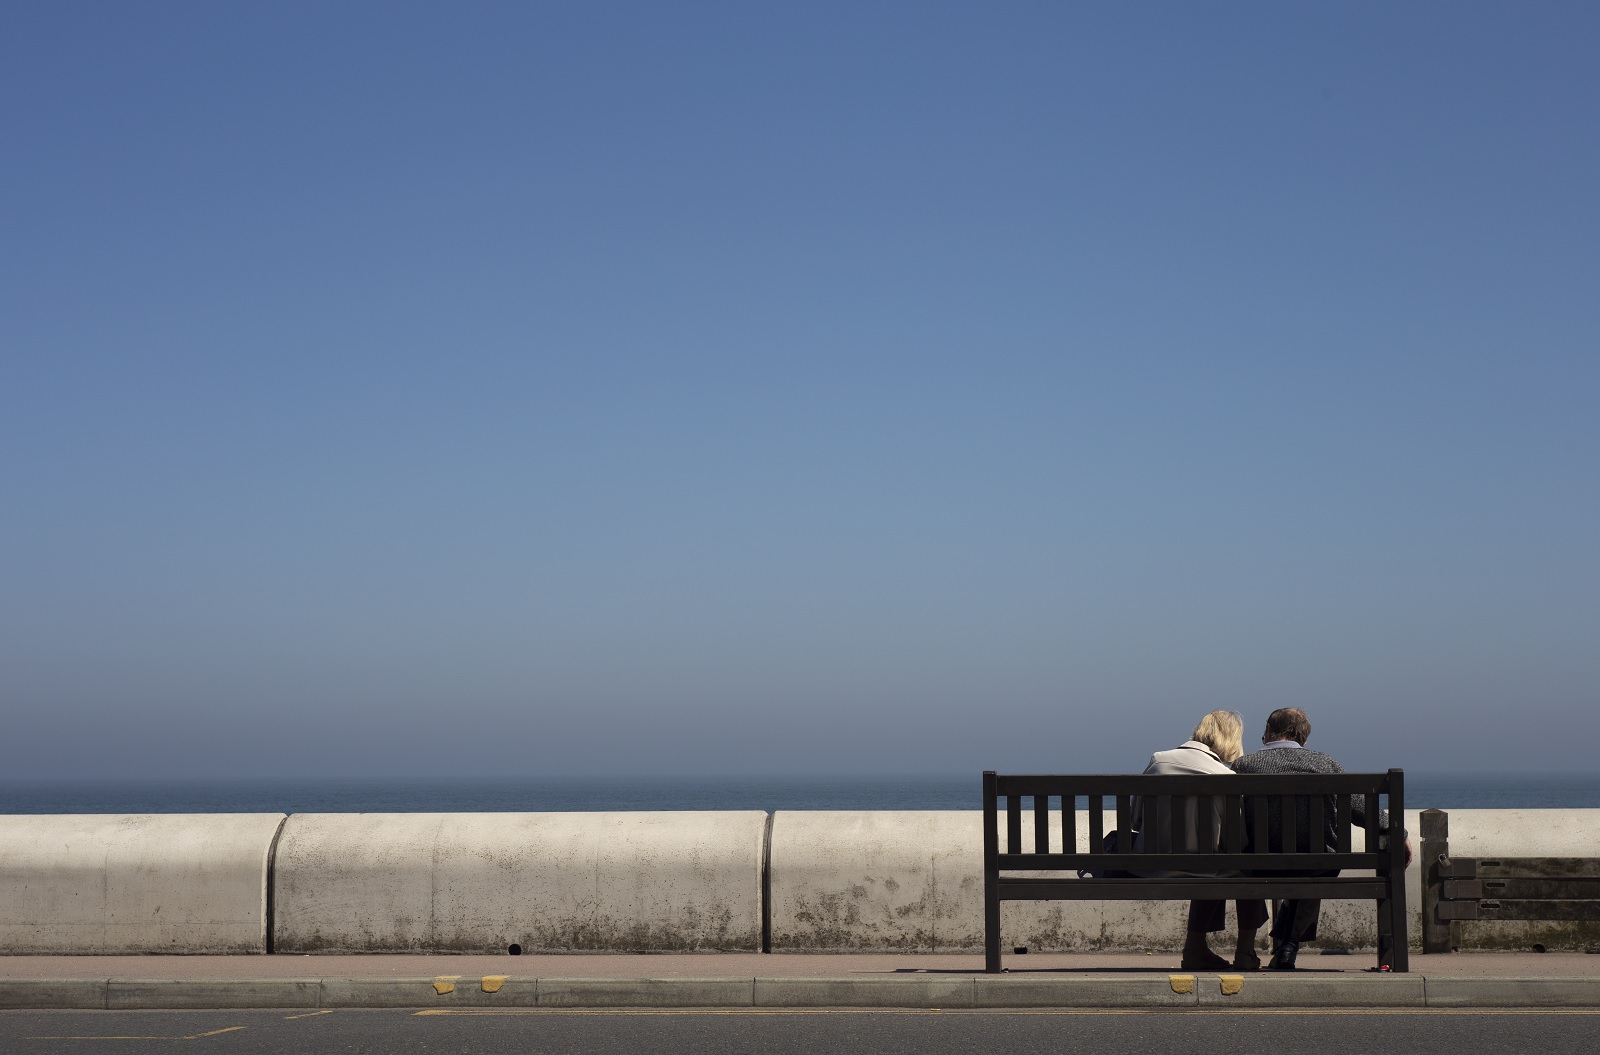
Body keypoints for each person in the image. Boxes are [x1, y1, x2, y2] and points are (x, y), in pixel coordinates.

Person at [1232, 707, 1412, 970]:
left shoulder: (1245, 766)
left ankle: (1286, 947)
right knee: (1314, 860)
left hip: (1259, 864)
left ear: (1270, 730)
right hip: (1318, 863)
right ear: (1302, 736)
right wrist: (1398, 832)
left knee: (1301, 861)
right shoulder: (1324, 764)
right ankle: (1288, 947)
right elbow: (1359, 807)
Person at [1140, 710, 1270, 972]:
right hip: (1204, 867)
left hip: (1152, 865)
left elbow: (1136, 819)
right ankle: (1244, 951)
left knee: (1211, 864)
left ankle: (1196, 949)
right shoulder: (1223, 777)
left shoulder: (1158, 762)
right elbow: (1237, 840)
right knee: (1235, 867)